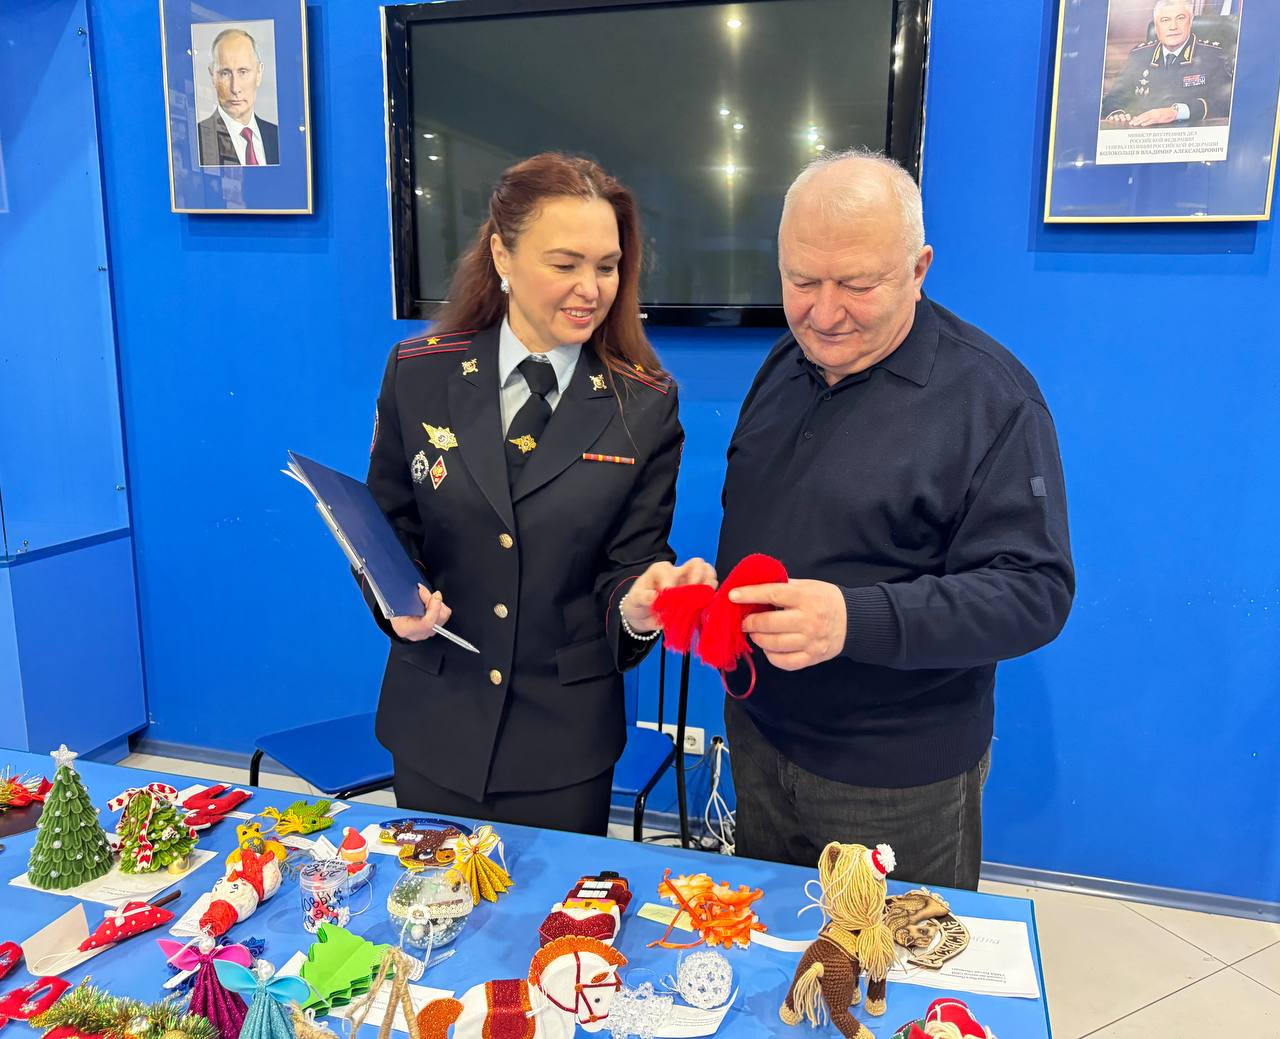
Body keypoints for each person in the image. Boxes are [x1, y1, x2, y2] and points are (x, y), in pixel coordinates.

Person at [715, 150, 1074, 889]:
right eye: (801, 281)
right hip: (759, 738)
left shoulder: (993, 398)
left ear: (918, 269)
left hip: (895, 777)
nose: (823, 313)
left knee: (888, 961)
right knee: (769, 948)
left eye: (857, 285)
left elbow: (1033, 593)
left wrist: (853, 620)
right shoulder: (783, 363)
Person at [363, 153, 713, 836]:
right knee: (430, 897)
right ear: (503, 254)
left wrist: (641, 604)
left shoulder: (644, 405)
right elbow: (385, 526)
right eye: (565, 264)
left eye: (607, 266)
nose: (590, 288)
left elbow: (629, 564)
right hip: (436, 719)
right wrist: (396, 600)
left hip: (563, 743)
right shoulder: (419, 374)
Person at [1100, 0, 1233, 126]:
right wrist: (1117, 113)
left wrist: (1176, 112)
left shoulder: (1212, 55)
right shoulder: (1139, 55)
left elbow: (1224, 102)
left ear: (1191, 21)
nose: (1173, 27)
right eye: (1165, 20)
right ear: (1156, 25)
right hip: (1143, 134)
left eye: (1180, 18)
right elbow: (1114, 97)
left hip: (1192, 134)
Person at [197, 28, 280, 166]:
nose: (235, 88)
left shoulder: (278, 136)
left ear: (259, 74)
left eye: (243, 72)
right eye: (225, 73)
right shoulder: (198, 140)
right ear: (212, 76)